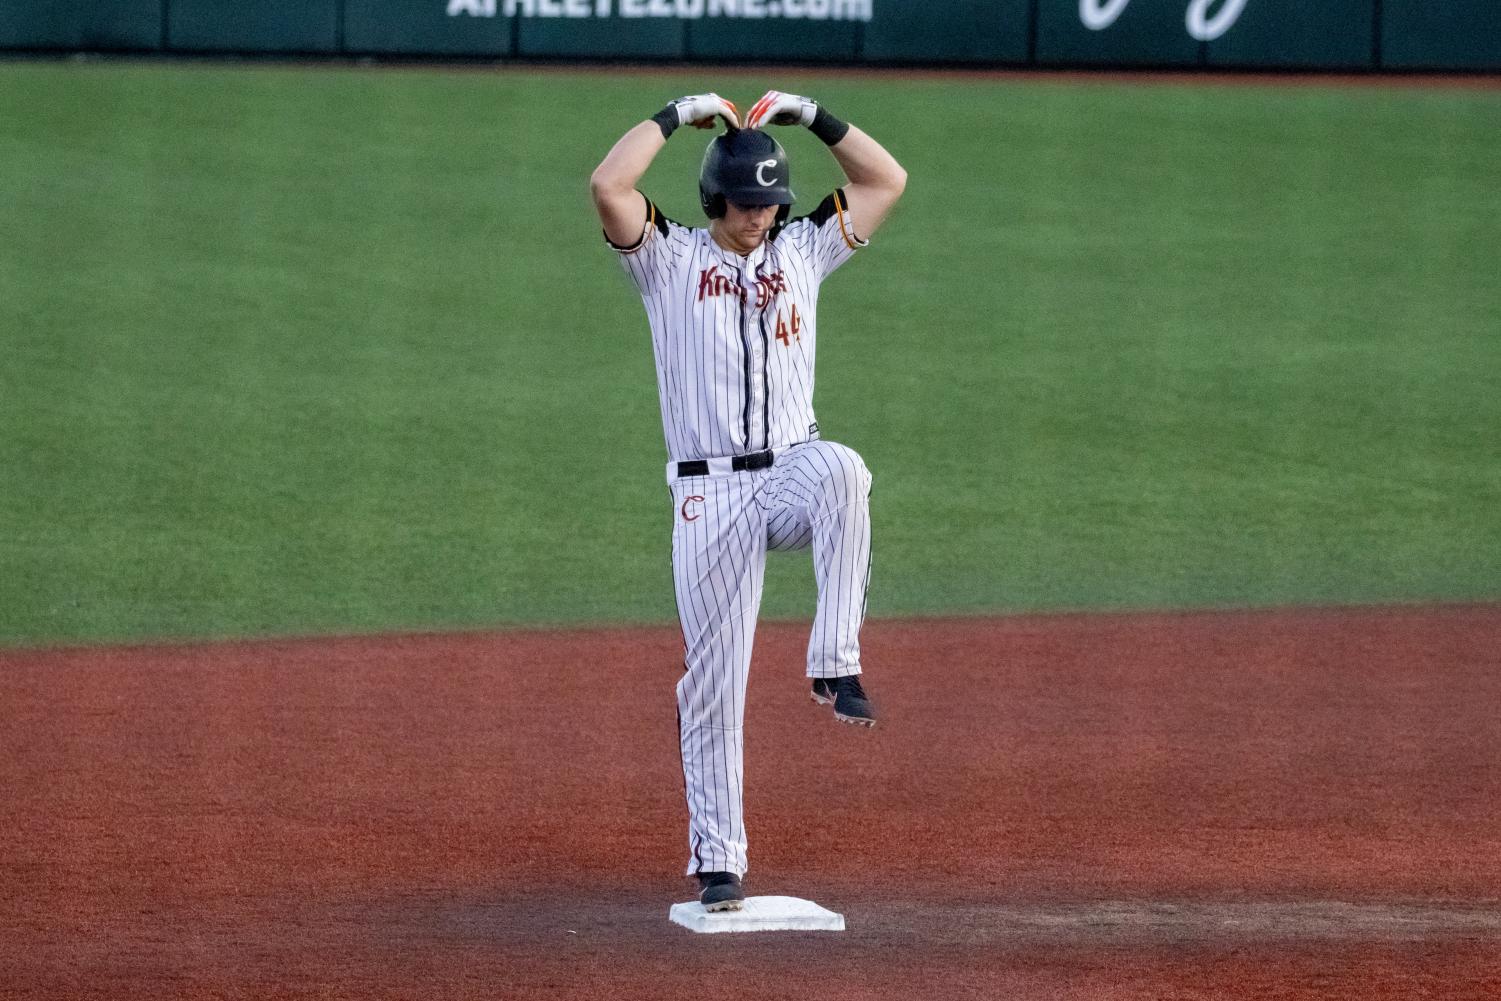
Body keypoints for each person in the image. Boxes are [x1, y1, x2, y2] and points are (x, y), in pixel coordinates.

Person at [590, 90, 907, 912]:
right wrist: (670, 115)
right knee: (713, 684)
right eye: (744, 203)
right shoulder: (668, 261)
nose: (759, 216)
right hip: (709, 493)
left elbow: (886, 179)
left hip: (789, 470)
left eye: (770, 202)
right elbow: (608, 188)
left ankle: (833, 660)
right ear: (712, 201)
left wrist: (813, 115)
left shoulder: (802, 251)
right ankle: (718, 859)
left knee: (843, 470)